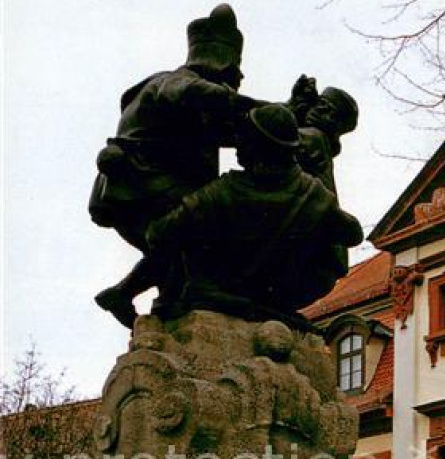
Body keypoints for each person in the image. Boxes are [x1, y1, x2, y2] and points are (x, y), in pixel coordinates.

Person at [89, 4, 251, 328]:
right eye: (227, 79)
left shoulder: (196, 106)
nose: (230, 89)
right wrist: (270, 110)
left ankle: (131, 298)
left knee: (179, 253)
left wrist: (285, 114)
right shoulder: (173, 81)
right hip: (138, 187)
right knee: (203, 224)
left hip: (140, 190)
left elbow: (240, 129)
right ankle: (151, 298)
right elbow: (190, 93)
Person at [145, 103, 363, 321]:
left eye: (243, 138)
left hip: (222, 286)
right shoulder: (314, 195)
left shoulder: (221, 193)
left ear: (255, 147)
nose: (237, 144)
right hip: (283, 292)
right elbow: (353, 234)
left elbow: (158, 233)